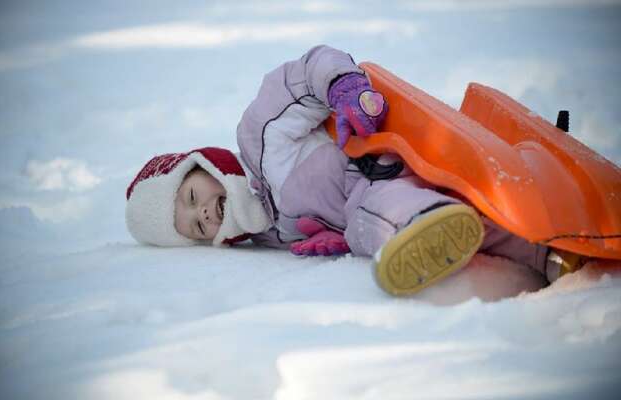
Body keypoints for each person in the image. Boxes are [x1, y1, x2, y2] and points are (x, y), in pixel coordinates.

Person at [125, 45, 584, 296]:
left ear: (203, 164)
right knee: (466, 215)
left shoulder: (259, 141)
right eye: (193, 227)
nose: (203, 213)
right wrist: (340, 237)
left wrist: (343, 86)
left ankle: (422, 228)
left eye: (190, 198)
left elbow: (301, 74)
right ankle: (556, 257)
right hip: (386, 200)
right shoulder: (271, 235)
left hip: (371, 165)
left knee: (376, 214)